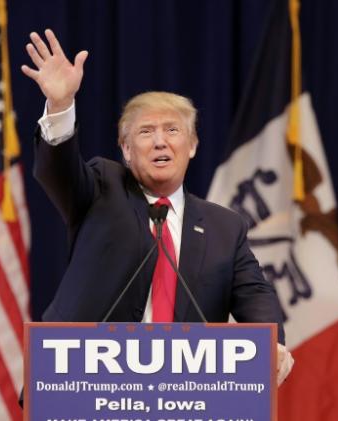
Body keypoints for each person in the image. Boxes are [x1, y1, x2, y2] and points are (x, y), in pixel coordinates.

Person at [21, 29, 293, 384]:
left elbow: (256, 297)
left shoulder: (225, 228)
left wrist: (271, 342)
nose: (160, 141)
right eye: (146, 132)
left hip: (183, 394)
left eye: (173, 130)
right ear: (126, 149)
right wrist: (59, 107)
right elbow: (57, 170)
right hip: (88, 387)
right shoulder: (102, 187)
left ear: (193, 145)